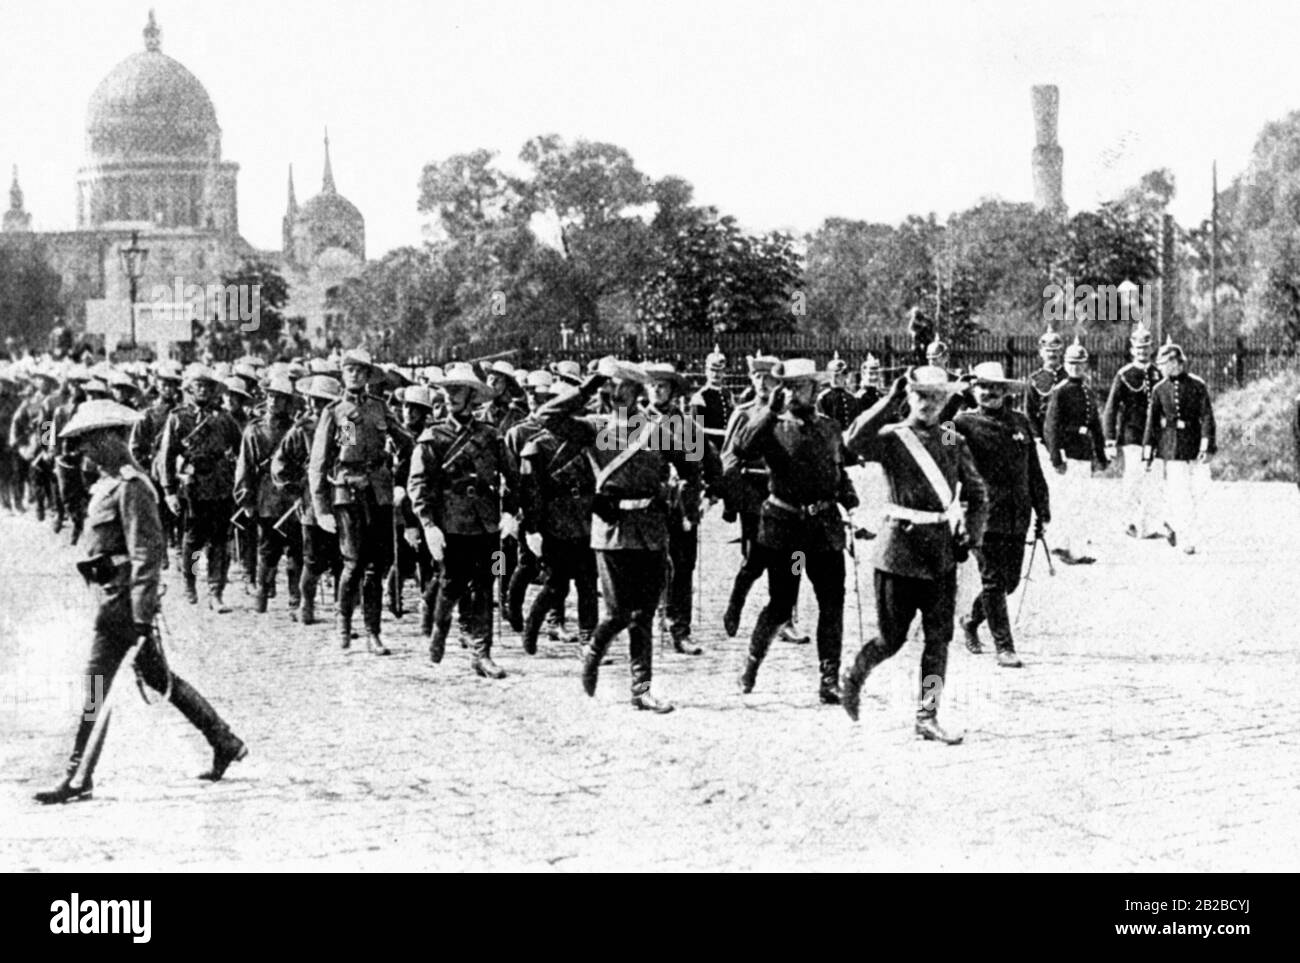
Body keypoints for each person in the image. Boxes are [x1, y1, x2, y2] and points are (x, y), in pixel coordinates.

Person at [33, 400, 246, 804]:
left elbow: (147, 555)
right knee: (160, 679)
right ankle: (224, 741)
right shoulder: (108, 483)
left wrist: (141, 614)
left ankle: (78, 776)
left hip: (122, 608)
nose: (85, 452)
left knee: (96, 685)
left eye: (91, 443)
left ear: (112, 439)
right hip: (111, 600)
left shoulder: (133, 486)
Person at [535, 357, 702, 713]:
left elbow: (691, 464)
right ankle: (594, 651)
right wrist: (588, 385)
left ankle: (641, 690)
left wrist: (683, 499)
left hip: (652, 531)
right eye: (614, 387)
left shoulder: (657, 430)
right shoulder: (594, 427)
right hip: (611, 533)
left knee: (644, 616)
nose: (619, 394)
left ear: (638, 392)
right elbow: (547, 417)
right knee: (617, 614)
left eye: (627, 388)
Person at [841, 366, 988, 744]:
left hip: (939, 552)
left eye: (936, 396)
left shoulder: (952, 436)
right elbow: (854, 440)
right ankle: (854, 674)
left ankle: (927, 714)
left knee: (939, 640)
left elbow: (975, 489)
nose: (928, 403)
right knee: (891, 640)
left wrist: (969, 535)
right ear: (909, 397)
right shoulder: (892, 437)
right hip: (899, 553)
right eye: (921, 395)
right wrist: (887, 400)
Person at [725, 358, 859, 705]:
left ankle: (829, 679)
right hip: (789, 534)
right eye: (788, 386)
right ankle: (752, 662)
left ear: (815, 389)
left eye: (801, 385)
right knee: (782, 605)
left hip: (825, 531)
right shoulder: (772, 426)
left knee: (832, 603)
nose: (794, 392)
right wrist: (770, 411)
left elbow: (838, 470)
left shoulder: (830, 427)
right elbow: (741, 448)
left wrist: (852, 504)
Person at [407, 362, 511, 678]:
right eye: (447, 390)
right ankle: (438, 633)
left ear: (472, 396)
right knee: (451, 584)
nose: (451, 396)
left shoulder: (491, 436)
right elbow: (418, 483)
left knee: (487, 582)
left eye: (458, 391)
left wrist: (510, 513)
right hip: (451, 523)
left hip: (488, 524)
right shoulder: (433, 436)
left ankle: (482, 654)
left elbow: (513, 477)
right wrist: (427, 524)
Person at [310, 348, 410, 654]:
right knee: (353, 563)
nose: (354, 375)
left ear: (368, 376)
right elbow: (319, 463)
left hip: (378, 494)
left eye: (360, 370)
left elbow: (407, 442)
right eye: (349, 370)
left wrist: (401, 478)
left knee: (375, 568)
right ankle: (344, 623)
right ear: (343, 374)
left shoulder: (380, 408)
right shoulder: (335, 412)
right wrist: (321, 508)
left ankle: (373, 632)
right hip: (348, 494)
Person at [954, 363, 1050, 667]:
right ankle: (1004, 647)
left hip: (1017, 514)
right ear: (973, 389)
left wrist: (1042, 507)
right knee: (993, 580)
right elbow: (943, 450)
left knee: (1009, 583)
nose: (989, 391)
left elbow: (1033, 469)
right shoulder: (960, 424)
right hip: (982, 515)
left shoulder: (1021, 423)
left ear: (1005, 391)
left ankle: (970, 620)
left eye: (995, 386)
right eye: (982, 386)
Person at [517, 381, 599, 654]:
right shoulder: (535, 445)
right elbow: (531, 491)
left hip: (585, 519)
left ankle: (588, 640)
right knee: (555, 585)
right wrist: (533, 528)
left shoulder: (589, 437)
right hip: (555, 523)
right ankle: (530, 627)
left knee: (588, 583)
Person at [158, 364, 243, 611]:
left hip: (219, 487)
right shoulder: (177, 417)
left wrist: (237, 477)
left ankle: (216, 591)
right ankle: (190, 581)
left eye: (208, 386)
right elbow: (165, 456)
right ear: (189, 389)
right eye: (198, 386)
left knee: (219, 541)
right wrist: (169, 491)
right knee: (193, 542)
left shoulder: (224, 419)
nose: (203, 390)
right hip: (192, 489)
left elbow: (241, 450)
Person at [645, 361, 707, 656]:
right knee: (651, 565)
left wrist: (699, 499)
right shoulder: (631, 421)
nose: (657, 390)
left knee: (683, 565)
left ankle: (680, 628)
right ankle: (652, 619)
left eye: (663, 385)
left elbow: (697, 468)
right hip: (646, 506)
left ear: (672, 390)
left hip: (680, 505)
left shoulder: (686, 424)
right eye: (653, 385)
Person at [272, 374, 343, 625]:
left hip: (342, 500)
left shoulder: (346, 425)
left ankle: (341, 613)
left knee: (341, 560)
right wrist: (295, 491)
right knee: (311, 560)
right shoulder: (301, 429)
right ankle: (306, 605)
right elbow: (279, 465)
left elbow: (352, 456)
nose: (317, 407)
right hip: (313, 502)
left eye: (324, 402)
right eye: (314, 401)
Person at [235, 373, 300, 614]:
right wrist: (246, 499)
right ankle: (261, 593)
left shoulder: (296, 428)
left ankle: (296, 599)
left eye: (280, 398)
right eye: (271, 397)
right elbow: (245, 467)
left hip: (292, 497)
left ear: (287, 402)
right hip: (267, 497)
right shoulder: (254, 430)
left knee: (296, 549)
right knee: (268, 549)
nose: (274, 402)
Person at [1143, 339, 1215, 554]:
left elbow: (1207, 417)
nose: (1166, 367)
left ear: (1178, 363)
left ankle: (1172, 521)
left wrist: (1206, 446)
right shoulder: (1159, 390)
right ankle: (1187, 537)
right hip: (1172, 447)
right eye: (1163, 364)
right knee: (1180, 492)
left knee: (1201, 490)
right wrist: (1148, 453)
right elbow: (1152, 423)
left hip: (1194, 444)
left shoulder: (1197, 385)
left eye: (1170, 362)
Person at [1043, 338, 1108, 564]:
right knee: (1067, 501)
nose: (1075, 368)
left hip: (1083, 452)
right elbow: (1051, 426)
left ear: (1086, 366)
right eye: (1071, 364)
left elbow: (1095, 426)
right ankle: (1063, 545)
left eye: (1080, 364)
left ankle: (1077, 549)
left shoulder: (1088, 392)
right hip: (1067, 451)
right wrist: (1055, 456)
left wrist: (1100, 455)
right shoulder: (1060, 391)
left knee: (1082, 502)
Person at [1103, 322, 1163, 539]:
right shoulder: (1124, 374)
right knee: (1134, 479)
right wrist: (1109, 439)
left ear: (1151, 349)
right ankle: (1129, 521)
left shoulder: (1159, 373)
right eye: (1138, 348)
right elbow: (1110, 409)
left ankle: (1147, 525)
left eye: (1146, 348)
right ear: (1132, 350)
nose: (1142, 352)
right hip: (1133, 435)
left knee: (1153, 480)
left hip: (1155, 437)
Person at [816, 352, 860, 430]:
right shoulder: (823, 398)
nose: (842, 378)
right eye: (838, 375)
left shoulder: (851, 398)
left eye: (844, 374)